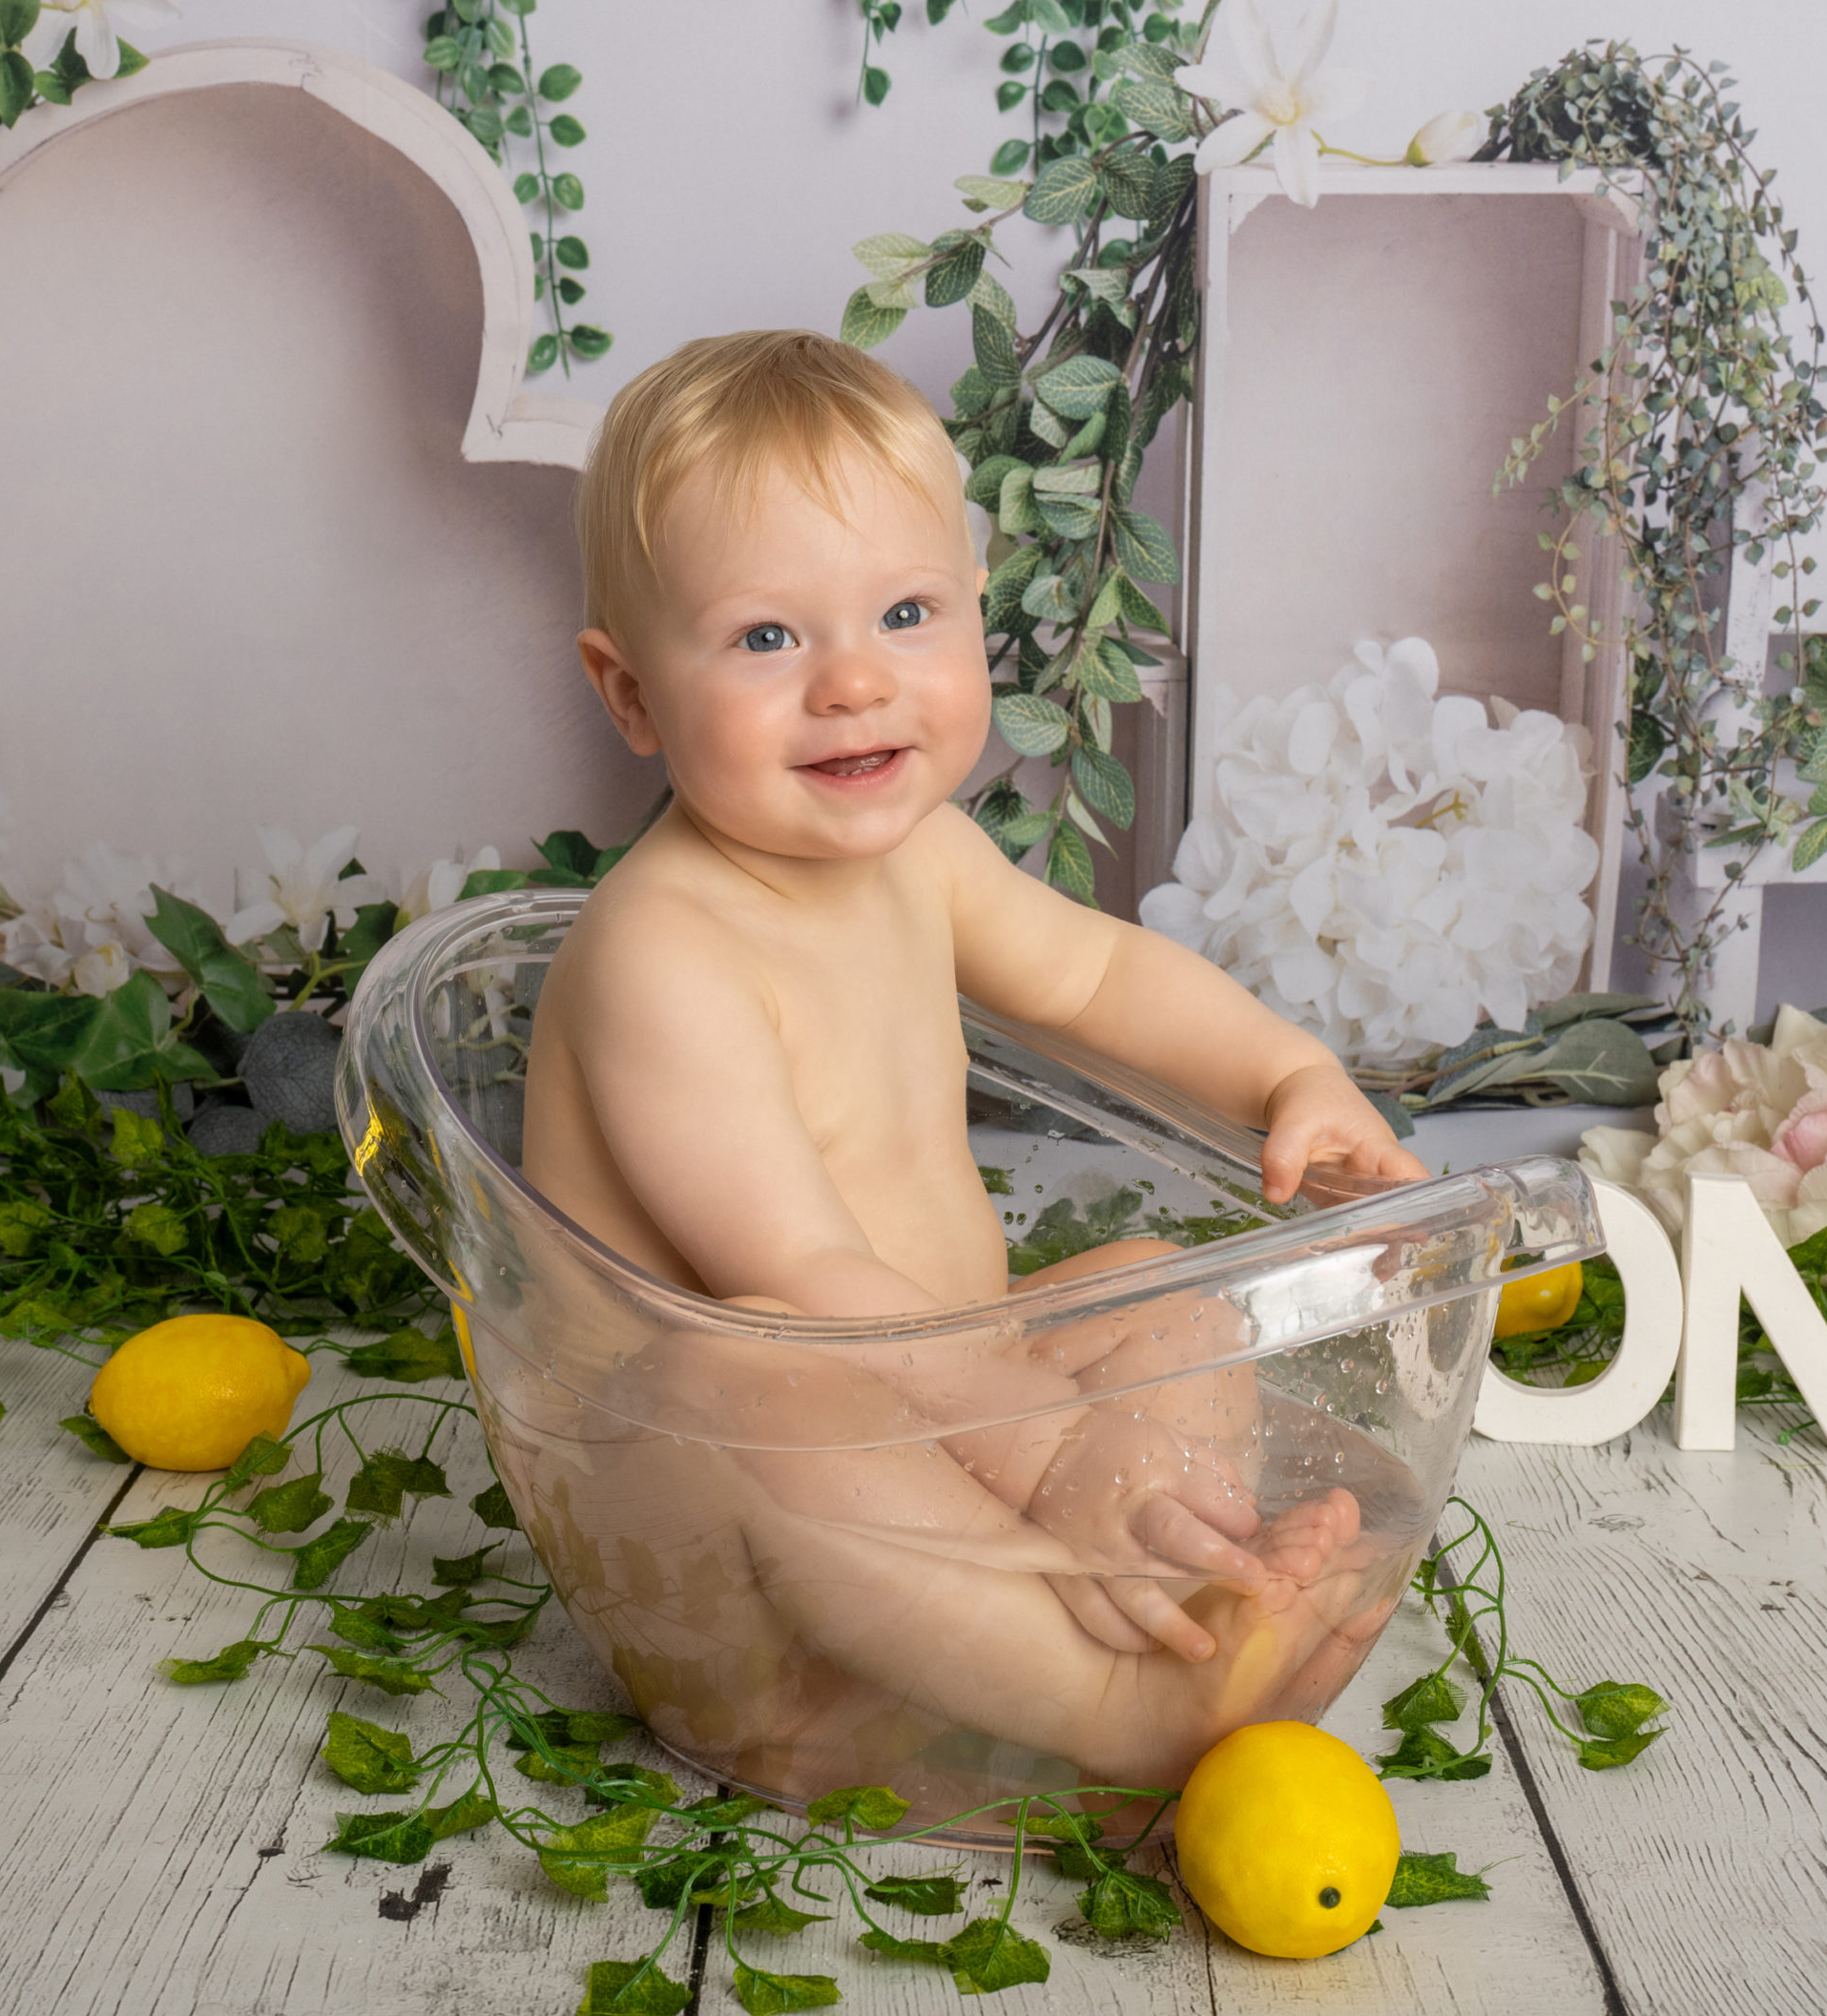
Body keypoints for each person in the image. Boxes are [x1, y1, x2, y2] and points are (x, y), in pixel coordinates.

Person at [519, 329, 1426, 1795]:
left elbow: (1104, 971)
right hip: (704, 1549)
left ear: (976, 615)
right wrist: (1048, 1461)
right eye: (767, 637)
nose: (853, 683)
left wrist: (1289, 1079)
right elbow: (806, 1284)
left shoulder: (924, 856)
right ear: (629, 695)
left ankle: (1159, 1610)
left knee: (1162, 1297)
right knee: (746, 1371)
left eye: (905, 612)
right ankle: (1113, 1701)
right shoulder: (660, 958)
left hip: (940, 1411)